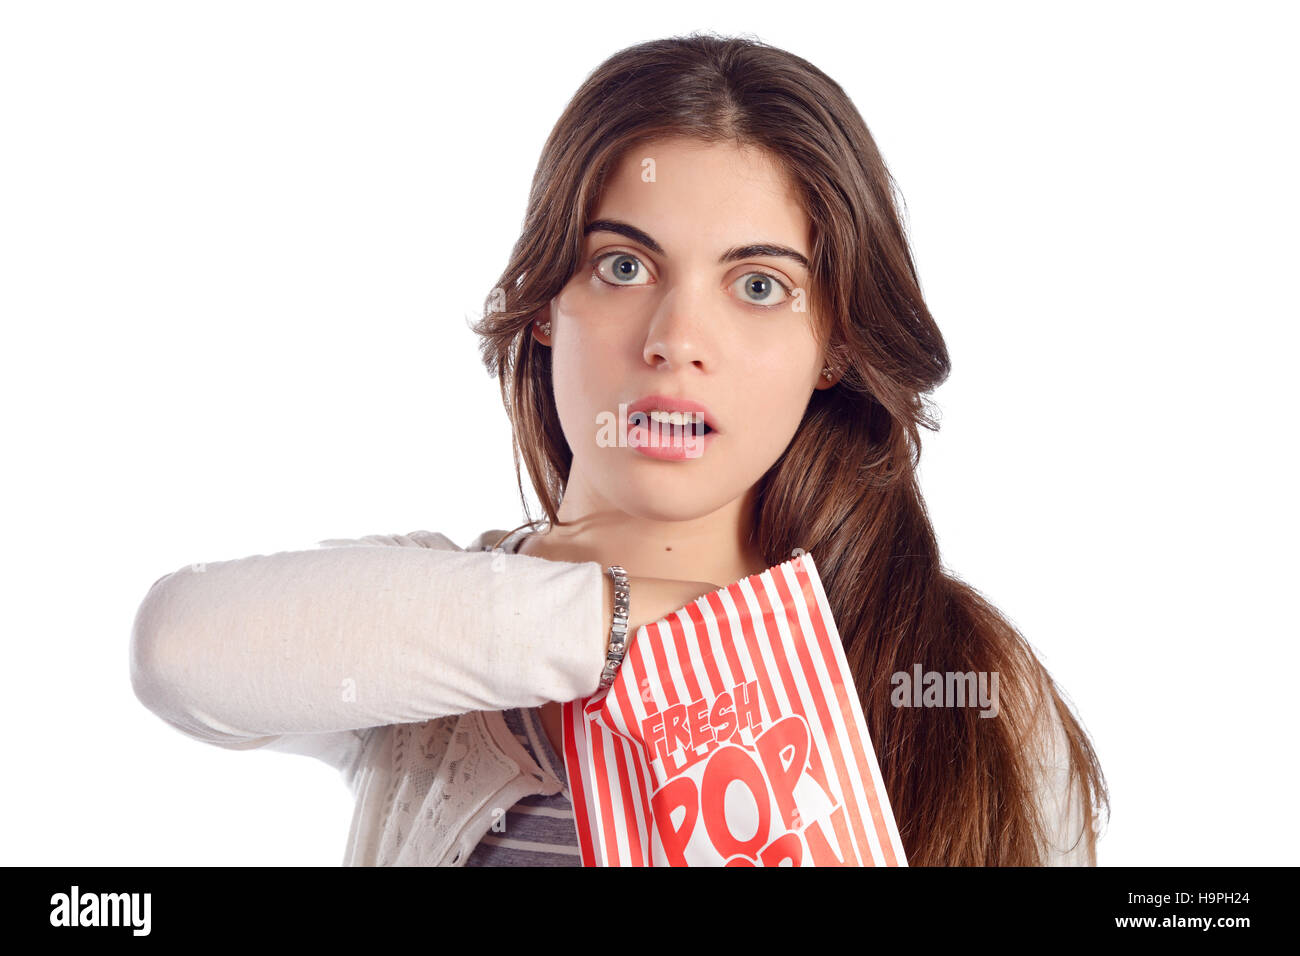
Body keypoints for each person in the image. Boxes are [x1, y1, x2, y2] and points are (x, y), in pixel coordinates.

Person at [130, 32, 1108, 866]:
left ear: (834, 348)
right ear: (548, 304)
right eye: (624, 264)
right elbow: (180, 648)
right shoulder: (429, 655)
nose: (676, 336)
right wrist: (655, 627)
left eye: (758, 284)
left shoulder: (960, 677)